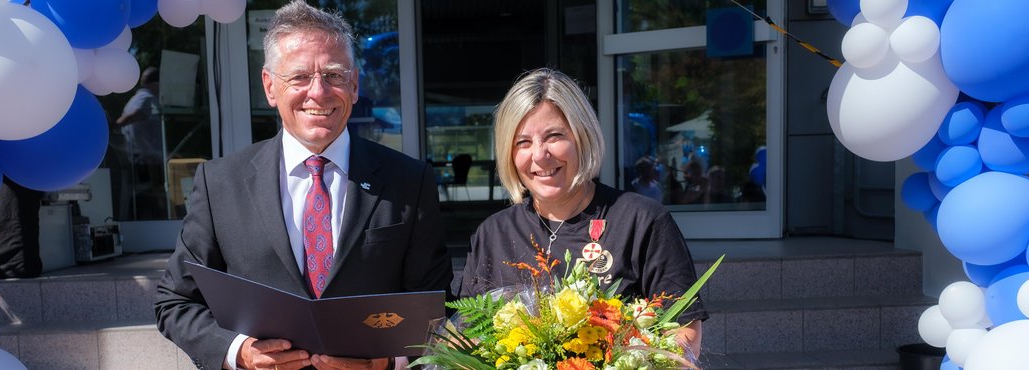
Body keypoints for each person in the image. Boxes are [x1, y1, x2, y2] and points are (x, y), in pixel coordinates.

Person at [154, 2, 453, 369]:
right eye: (298, 77)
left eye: (333, 75)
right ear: (270, 87)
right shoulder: (220, 184)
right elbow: (175, 301)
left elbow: (435, 306)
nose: (319, 92)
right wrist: (240, 353)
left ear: (354, 84)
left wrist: (389, 362)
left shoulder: (409, 181)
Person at [457, 68, 707, 358]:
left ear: (582, 136)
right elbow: (467, 335)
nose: (539, 155)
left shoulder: (641, 222)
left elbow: (684, 333)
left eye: (554, 136)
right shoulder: (493, 233)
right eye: (522, 142)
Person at [115, 66, 167, 219]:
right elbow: (136, 113)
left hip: (141, 159)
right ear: (155, 84)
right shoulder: (147, 98)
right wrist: (116, 125)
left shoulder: (137, 97)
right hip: (145, 161)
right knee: (158, 193)